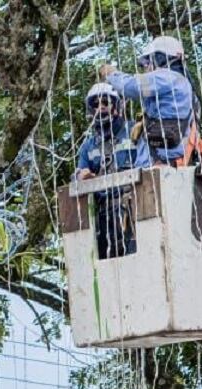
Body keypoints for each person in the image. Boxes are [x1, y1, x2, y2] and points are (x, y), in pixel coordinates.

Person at [102, 35, 202, 167]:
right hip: (170, 163)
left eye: (147, 62)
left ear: (160, 58)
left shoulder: (167, 77)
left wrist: (111, 73)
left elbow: (130, 87)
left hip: (164, 166)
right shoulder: (181, 82)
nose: (146, 67)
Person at [75, 81, 138, 259]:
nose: (100, 108)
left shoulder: (133, 131)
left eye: (105, 103)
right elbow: (79, 173)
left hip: (132, 210)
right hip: (105, 215)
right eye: (96, 105)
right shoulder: (89, 145)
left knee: (135, 261)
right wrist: (82, 176)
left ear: (116, 106)